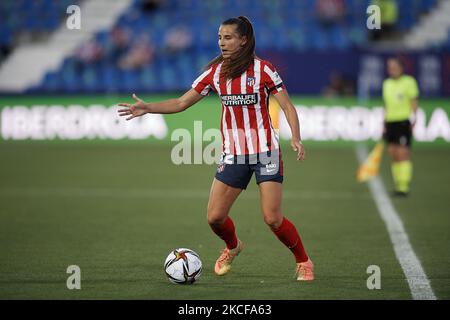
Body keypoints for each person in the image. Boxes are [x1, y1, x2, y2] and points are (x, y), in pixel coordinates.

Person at [117, 16, 314, 281]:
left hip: (265, 150)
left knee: (272, 218)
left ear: (243, 40)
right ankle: (233, 246)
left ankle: (303, 261)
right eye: (220, 37)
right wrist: (148, 107)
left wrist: (296, 138)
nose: (222, 42)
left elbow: (287, 106)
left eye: (228, 37)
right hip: (234, 153)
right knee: (215, 218)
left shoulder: (264, 70)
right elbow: (181, 103)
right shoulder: (215, 73)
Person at [382, 57, 419, 197]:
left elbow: (414, 101)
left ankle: (404, 186)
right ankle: (398, 184)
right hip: (390, 122)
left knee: (403, 153)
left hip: (403, 121)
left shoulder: (409, 82)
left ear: (401, 68)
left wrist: (414, 119)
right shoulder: (387, 83)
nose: (391, 69)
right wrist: (384, 122)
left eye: (393, 66)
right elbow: (386, 104)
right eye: (389, 67)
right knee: (393, 153)